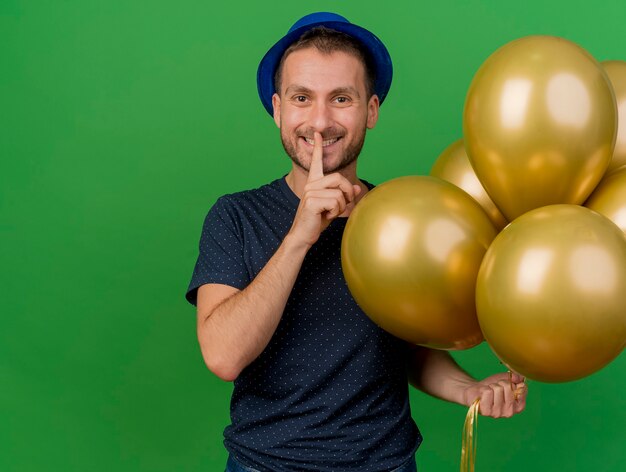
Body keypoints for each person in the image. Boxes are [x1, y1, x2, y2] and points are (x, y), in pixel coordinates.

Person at [186, 12, 527, 472]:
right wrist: (299, 238)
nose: (321, 120)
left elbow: (409, 344)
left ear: (370, 111)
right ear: (277, 109)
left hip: (385, 464)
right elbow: (224, 355)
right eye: (302, 97)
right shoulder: (235, 216)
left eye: (341, 98)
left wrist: (468, 389)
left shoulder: (401, 220)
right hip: (264, 465)